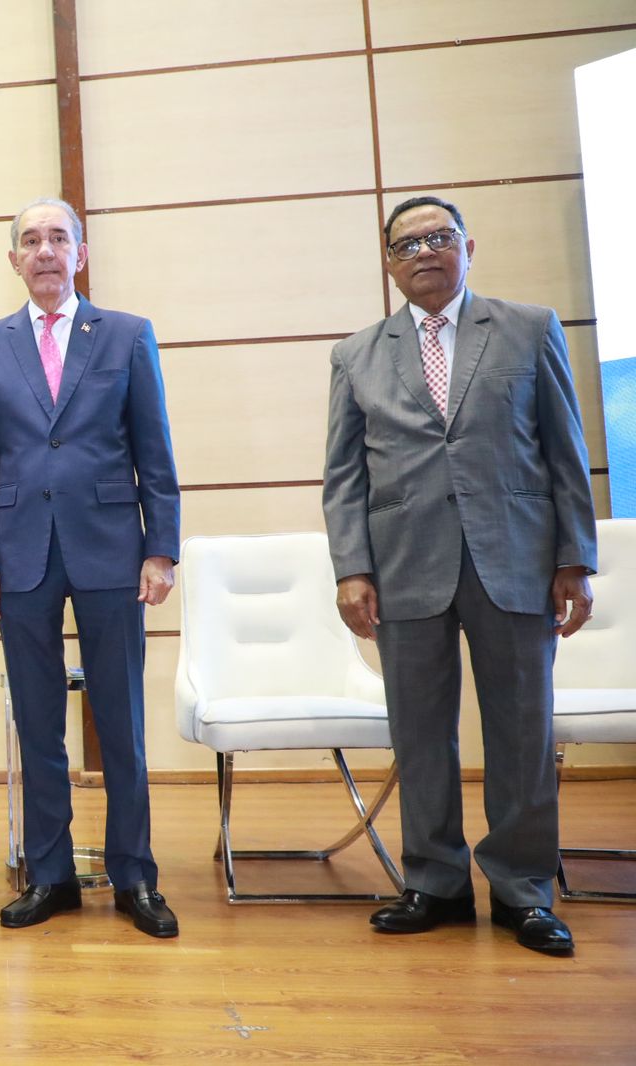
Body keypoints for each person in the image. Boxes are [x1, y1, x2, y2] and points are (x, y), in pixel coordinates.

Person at [323, 195, 597, 955]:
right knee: (419, 734)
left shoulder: (528, 328)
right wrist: (352, 568)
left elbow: (564, 454)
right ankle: (434, 883)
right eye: (407, 245)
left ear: (468, 246)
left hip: (514, 559)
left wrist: (574, 557)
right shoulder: (357, 355)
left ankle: (523, 891)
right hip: (405, 565)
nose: (424, 253)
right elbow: (344, 477)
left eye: (439, 238)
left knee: (521, 730)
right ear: (388, 263)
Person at [0, 198, 180, 936]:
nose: (45, 251)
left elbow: (155, 449)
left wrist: (161, 546)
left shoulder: (126, 334)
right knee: (39, 722)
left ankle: (134, 875)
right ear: (14, 259)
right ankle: (49, 874)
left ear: (80, 253)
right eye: (31, 240)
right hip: (19, 554)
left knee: (121, 720)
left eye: (59, 238)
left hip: (112, 546)